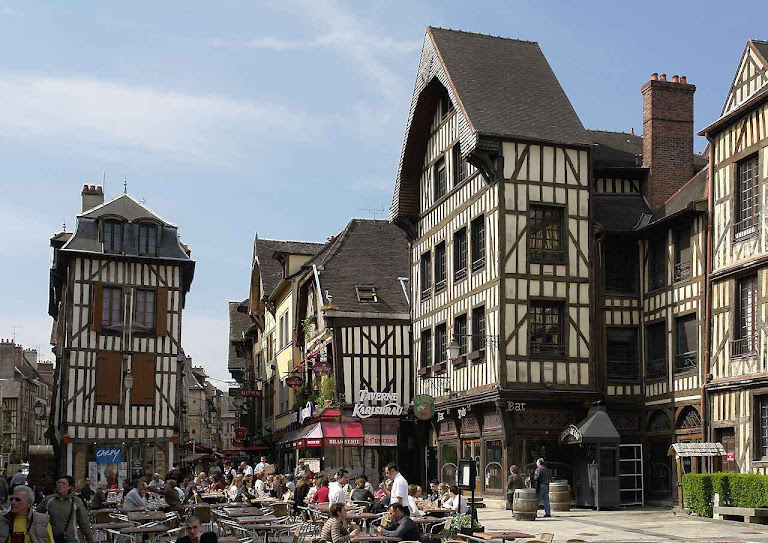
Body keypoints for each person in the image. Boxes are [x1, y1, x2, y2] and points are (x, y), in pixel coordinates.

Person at [37, 475, 95, 543]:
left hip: (71, 539)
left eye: (63, 483)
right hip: (52, 539)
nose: (60, 485)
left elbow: (84, 523)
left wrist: (90, 540)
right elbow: (36, 516)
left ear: (69, 487)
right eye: (58, 483)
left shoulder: (76, 501)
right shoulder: (49, 500)